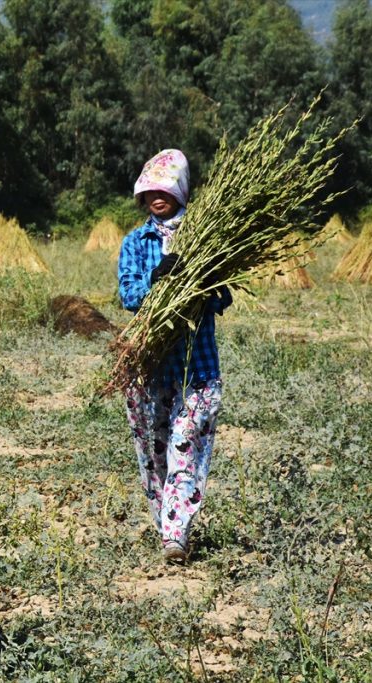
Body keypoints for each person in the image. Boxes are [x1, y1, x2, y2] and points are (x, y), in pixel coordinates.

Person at [117, 150, 231, 563]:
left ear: (180, 191)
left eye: (164, 189)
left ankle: (175, 535)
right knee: (155, 452)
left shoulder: (205, 239)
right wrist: (157, 280)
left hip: (197, 367)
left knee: (185, 444)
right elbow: (129, 294)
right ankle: (166, 523)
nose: (157, 197)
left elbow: (223, 298)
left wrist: (199, 282)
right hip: (150, 369)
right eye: (150, 191)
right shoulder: (136, 242)